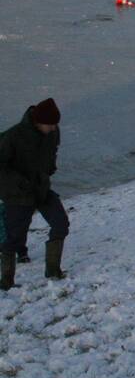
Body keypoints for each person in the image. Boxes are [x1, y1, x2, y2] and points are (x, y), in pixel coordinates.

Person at [0, 98, 70, 291]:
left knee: (60, 223)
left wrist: (50, 168)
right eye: (50, 124)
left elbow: (52, 151)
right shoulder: (14, 136)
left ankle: (53, 271)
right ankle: (6, 281)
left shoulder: (53, 133)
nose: (54, 128)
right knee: (13, 239)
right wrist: (19, 183)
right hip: (17, 194)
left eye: (56, 124)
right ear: (37, 122)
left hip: (41, 189)